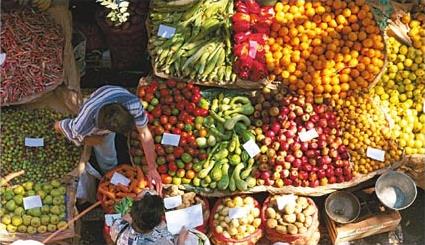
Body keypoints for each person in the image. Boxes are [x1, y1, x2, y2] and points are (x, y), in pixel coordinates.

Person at [54, 85, 162, 194]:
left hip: (110, 95)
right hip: (92, 110)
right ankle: (108, 174)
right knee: (104, 152)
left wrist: (152, 168)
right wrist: (89, 139)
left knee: (108, 151)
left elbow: (144, 134)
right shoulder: (83, 123)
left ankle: (112, 172)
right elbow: (60, 126)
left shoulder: (133, 104)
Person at [110, 190, 188, 245]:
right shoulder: (163, 241)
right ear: (159, 222)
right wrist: (181, 240)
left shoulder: (118, 226)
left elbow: (127, 217)